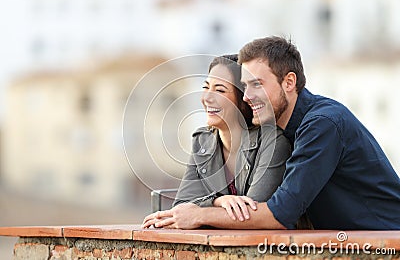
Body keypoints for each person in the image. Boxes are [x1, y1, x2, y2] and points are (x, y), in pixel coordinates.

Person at [142, 36, 400, 230]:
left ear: (289, 83)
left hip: (385, 240)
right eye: (244, 86)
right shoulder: (280, 128)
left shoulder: (322, 124)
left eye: (257, 85)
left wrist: (200, 214)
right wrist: (215, 203)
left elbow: (279, 213)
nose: (248, 96)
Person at [159, 54, 291, 222]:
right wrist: (218, 201)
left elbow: (253, 213)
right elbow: (182, 206)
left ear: (243, 99)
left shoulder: (272, 142)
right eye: (206, 87)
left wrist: (201, 212)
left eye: (220, 90)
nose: (206, 98)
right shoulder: (202, 141)